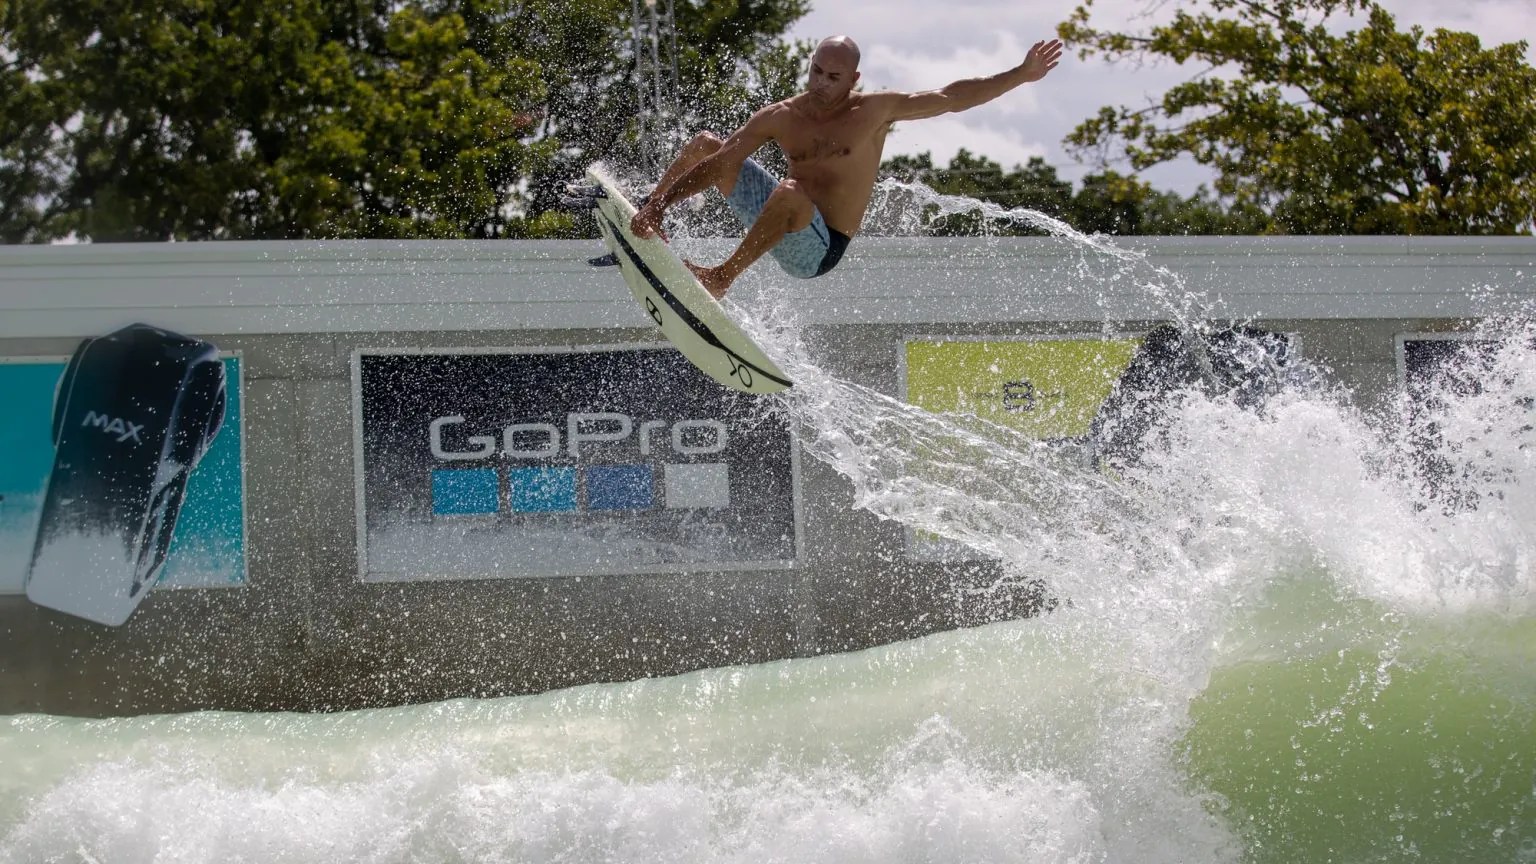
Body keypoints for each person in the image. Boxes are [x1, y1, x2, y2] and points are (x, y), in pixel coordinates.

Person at [630, 35, 1065, 298]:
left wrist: (1020, 74)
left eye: (833, 78)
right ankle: (649, 210)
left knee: (789, 193)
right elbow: (724, 163)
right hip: (781, 216)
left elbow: (952, 97)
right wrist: (662, 203)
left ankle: (721, 278)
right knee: (707, 146)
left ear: (854, 79)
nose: (820, 83)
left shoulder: (875, 112)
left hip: (819, 249)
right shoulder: (781, 116)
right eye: (816, 72)